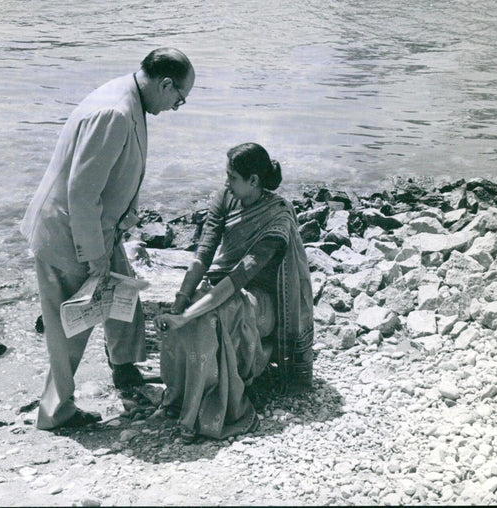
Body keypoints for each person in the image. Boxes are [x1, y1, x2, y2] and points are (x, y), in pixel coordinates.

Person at [21, 48, 195, 430]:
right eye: (179, 99)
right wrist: (94, 255)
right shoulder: (115, 112)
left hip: (99, 225)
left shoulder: (130, 97)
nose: (177, 107)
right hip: (68, 233)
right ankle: (56, 413)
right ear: (165, 84)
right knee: (70, 327)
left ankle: (123, 369)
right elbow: (80, 193)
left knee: (124, 295)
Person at [153, 143, 313, 441]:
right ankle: (184, 399)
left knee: (210, 315)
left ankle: (211, 408)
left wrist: (188, 315)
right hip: (225, 285)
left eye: (232, 177)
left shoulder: (276, 219)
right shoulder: (225, 198)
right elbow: (203, 254)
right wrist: (180, 302)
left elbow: (237, 279)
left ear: (253, 180)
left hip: (261, 303)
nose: (226, 181)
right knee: (196, 308)